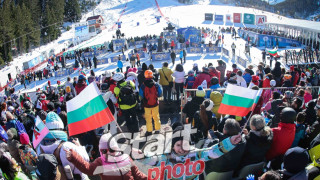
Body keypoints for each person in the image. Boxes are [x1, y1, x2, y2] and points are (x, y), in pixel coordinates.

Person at [142, 123, 242, 180]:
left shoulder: (196, 154)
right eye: (178, 145)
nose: (181, 148)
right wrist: (141, 155)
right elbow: (153, 159)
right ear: (172, 146)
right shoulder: (167, 156)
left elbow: (212, 151)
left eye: (185, 144)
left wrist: (229, 142)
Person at [66, 133, 148, 180]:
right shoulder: (101, 163)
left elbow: (137, 174)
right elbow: (88, 169)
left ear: (116, 148)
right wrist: (74, 157)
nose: (108, 153)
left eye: (111, 150)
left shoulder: (126, 158)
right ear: (101, 151)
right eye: (104, 151)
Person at [139, 70, 162, 136]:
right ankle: (157, 130)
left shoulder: (143, 86)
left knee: (148, 118)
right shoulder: (156, 84)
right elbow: (160, 93)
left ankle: (149, 131)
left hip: (147, 105)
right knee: (156, 117)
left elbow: (140, 96)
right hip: (155, 104)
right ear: (152, 75)